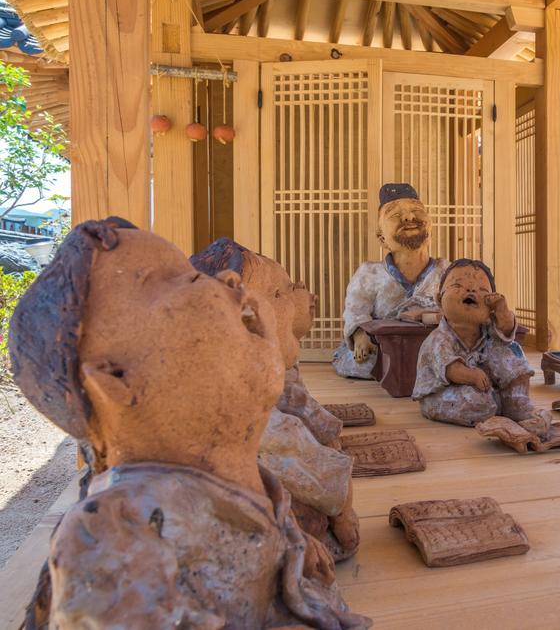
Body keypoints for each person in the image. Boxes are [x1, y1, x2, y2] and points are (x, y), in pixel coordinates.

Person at [11, 219, 367, 629]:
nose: (230, 280)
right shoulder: (119, 544)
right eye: (178, 279)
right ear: (116, 379)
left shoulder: (243, 481)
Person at [191, 238, 359, 562]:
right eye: (279, 294)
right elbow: (320, 469)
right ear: (246, 318)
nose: (295, 303)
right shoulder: (255, 416)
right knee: (307, 520)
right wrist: (343, 512)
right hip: (232, 527)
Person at [333, 183, 449, 379]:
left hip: (432, 343)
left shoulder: (446, 271)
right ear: (382, 238)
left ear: (430, 227)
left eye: (417, 211)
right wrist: (361, 335)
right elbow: (356, 310)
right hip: (383, 345)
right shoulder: (369, 273)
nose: (408, 217)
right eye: (395, 215)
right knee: (365, 363)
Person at [413, 259, 545, 429]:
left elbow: (506, 331)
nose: (471, 289)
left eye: (482, 290)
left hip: (484, 385)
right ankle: (493, 404)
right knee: (477, 402)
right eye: (457, 286)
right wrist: (472, 376)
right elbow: (450, 369)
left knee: (508, 348)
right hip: (443, 391)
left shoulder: (487, 330)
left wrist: (502, 310)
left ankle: (515, 399)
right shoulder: (438, 339)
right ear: (439, 299)